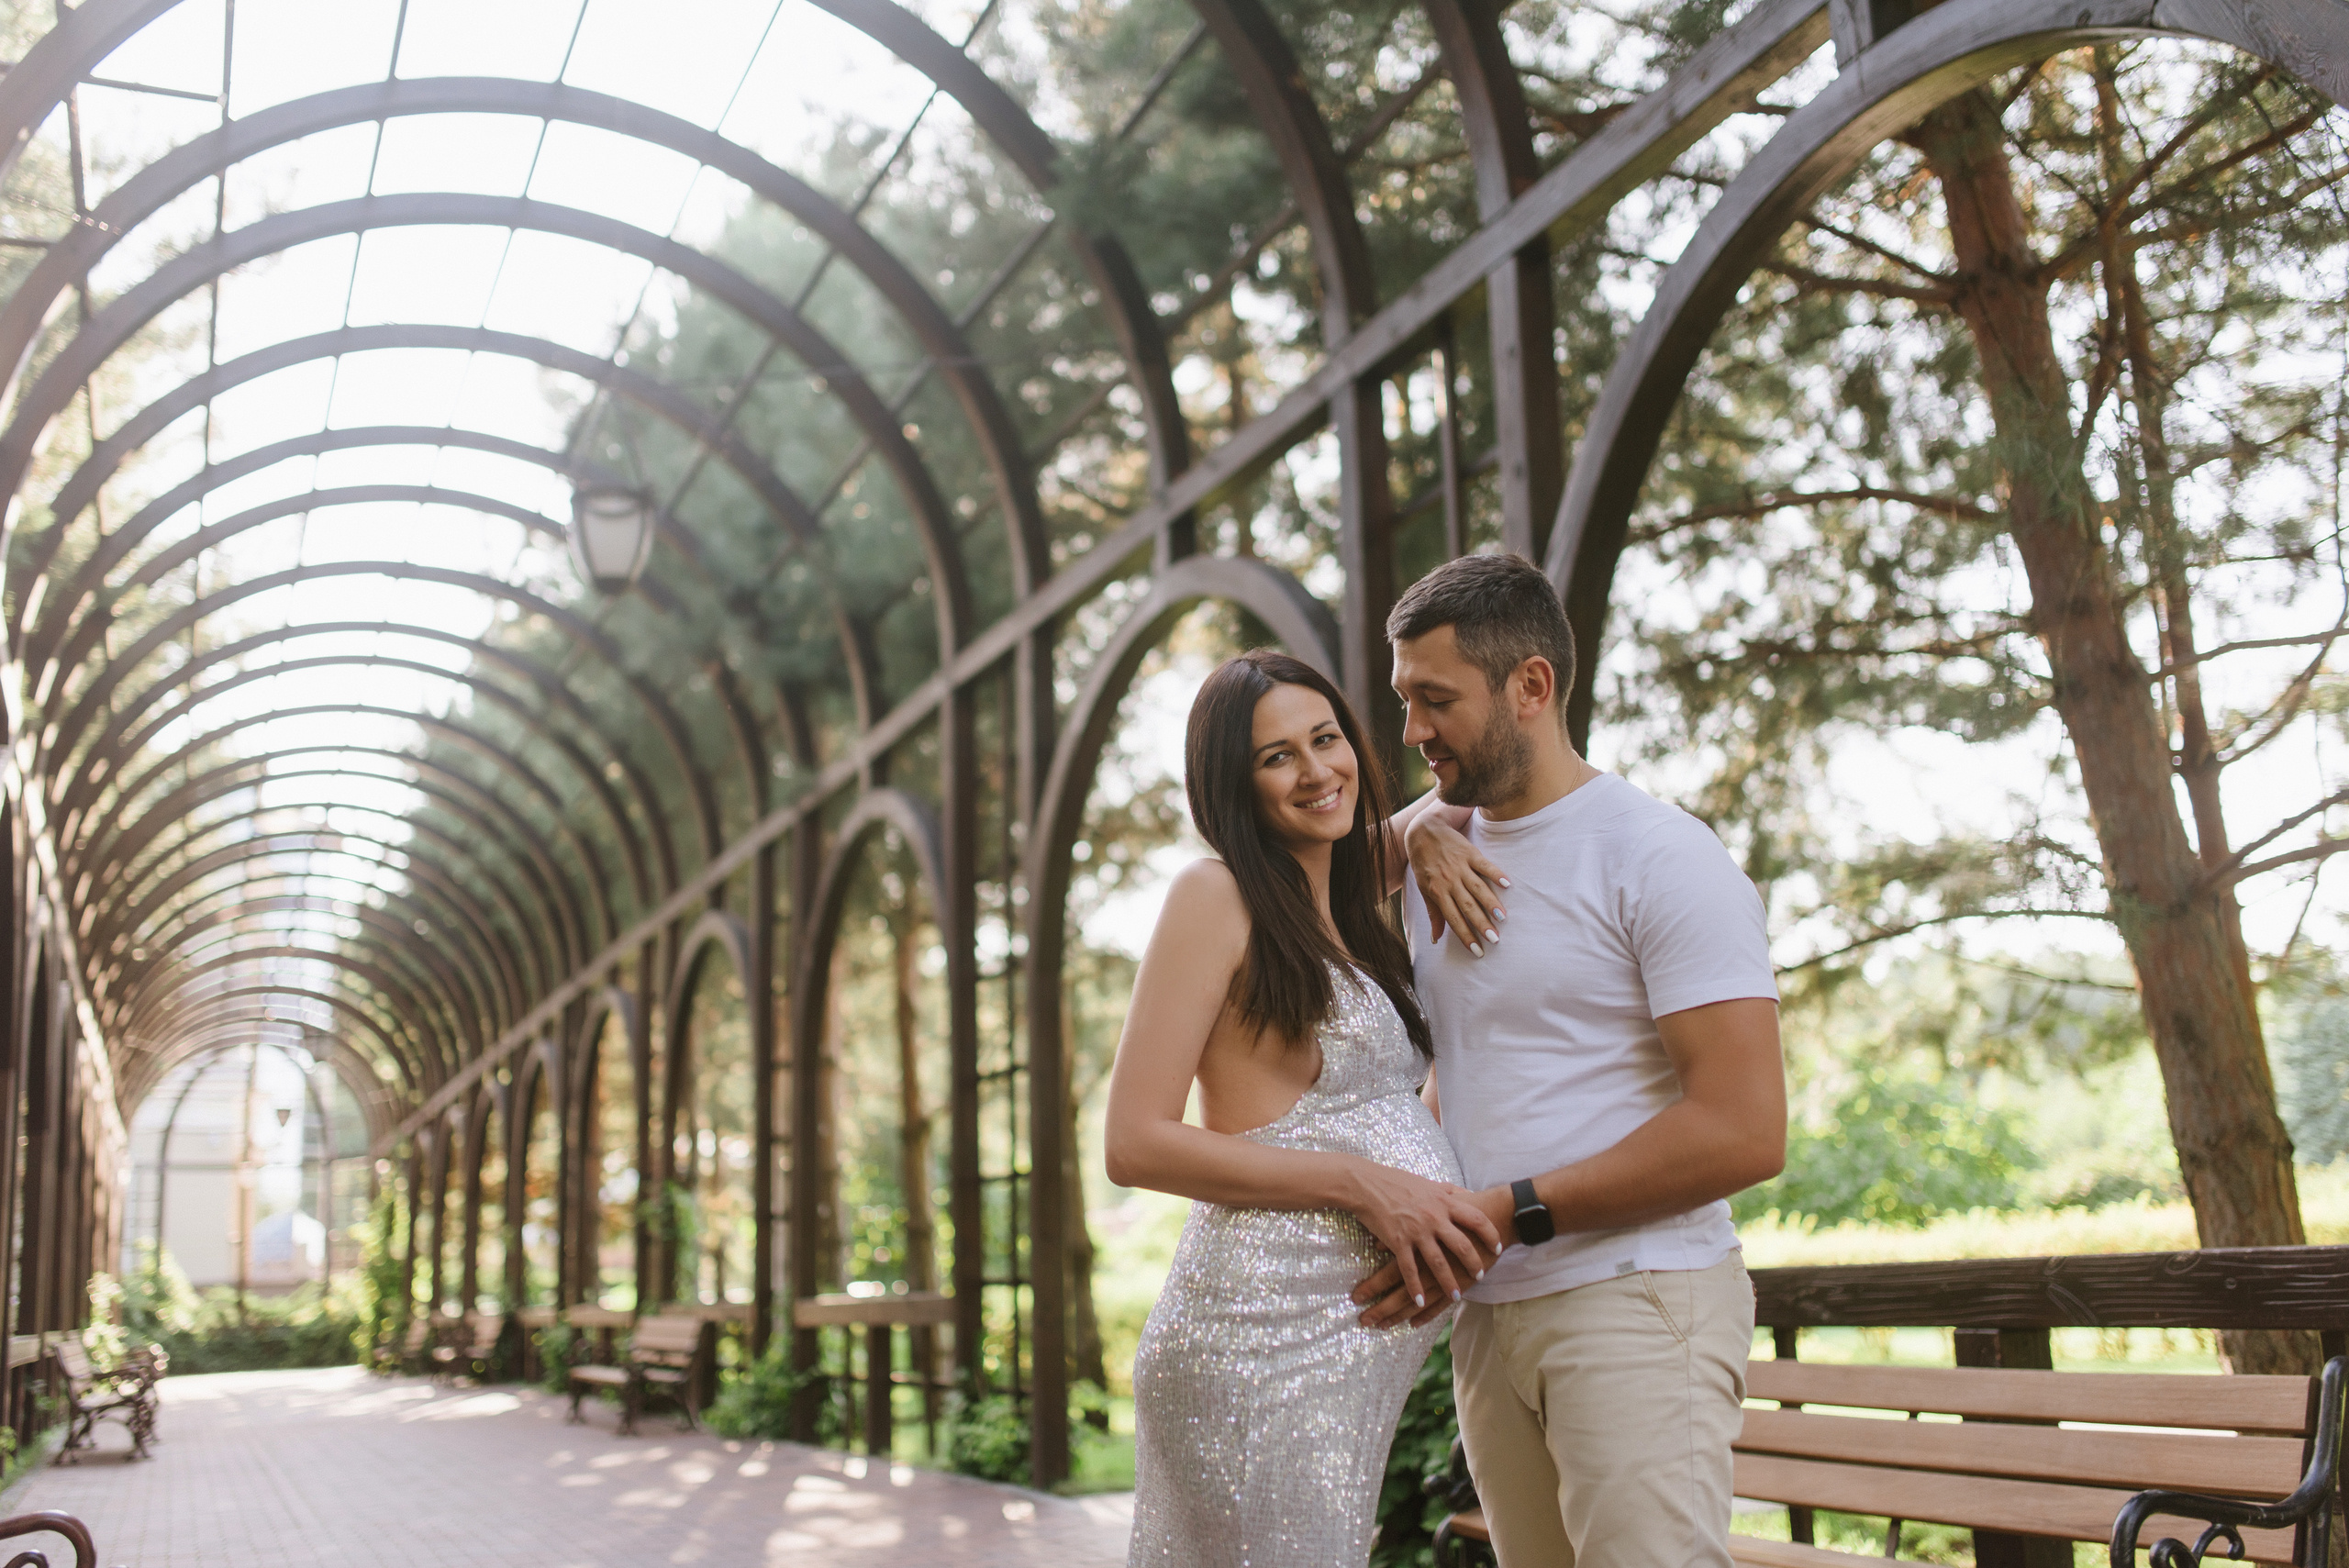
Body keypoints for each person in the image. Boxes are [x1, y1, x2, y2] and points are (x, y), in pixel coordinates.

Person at [1354, 550, 1787, 1568]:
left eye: (1436, 699)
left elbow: (1743, 1127)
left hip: (1636, 1300)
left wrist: (1511, 1208)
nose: (1412, 731)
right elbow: (1269, 877)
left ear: (1531, 686)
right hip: (1492, 1316)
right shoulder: (1443, 854)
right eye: (1404, 700)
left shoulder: (1659, 855)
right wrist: (1416, 834)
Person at [1106, 648, 1502, 1567]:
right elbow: (1133, 1142)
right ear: (1230, 785)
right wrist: (1363, 1184)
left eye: (1325, 737)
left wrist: (1422, 836)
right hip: (1256, 1341)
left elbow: (1429, 810)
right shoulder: (1214, 895)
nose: (1317, 769)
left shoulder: (1333, 894)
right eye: (1276, 755)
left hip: (1342, 1346)